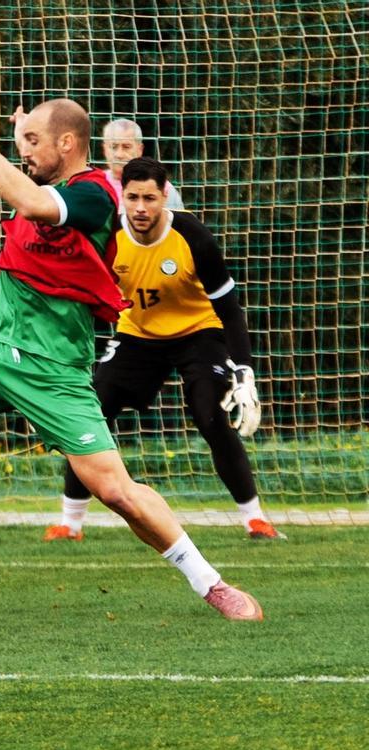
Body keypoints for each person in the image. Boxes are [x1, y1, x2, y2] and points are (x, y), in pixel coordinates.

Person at [0, 93, 261, 621]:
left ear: (68, 144)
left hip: (66, 365)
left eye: (36, 142)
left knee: (119, 486)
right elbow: (30, 183)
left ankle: (215, 579)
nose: (26, 154)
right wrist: (23, 138)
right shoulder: (48, 182)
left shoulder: (91, 198)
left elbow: (31, 198)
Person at [44, 156, 279, 541]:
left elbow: (230, 311)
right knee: (93, 408)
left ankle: (255, 519)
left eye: (149, 198)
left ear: (165, 197)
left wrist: (244, 369)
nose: (140, 207)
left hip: (198, 332)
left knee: (210, 412)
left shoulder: (193, 236)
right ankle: (70, 524)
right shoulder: (109, 235)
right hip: (137, 333)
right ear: (122, 197)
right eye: (133, 197)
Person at [101, 118, 184, 211]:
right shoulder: (94, 185)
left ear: (140, 149)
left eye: (126, 147)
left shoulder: (162, 188)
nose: (119, 154)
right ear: (104, 149)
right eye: (113, 147)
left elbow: (178, 224)